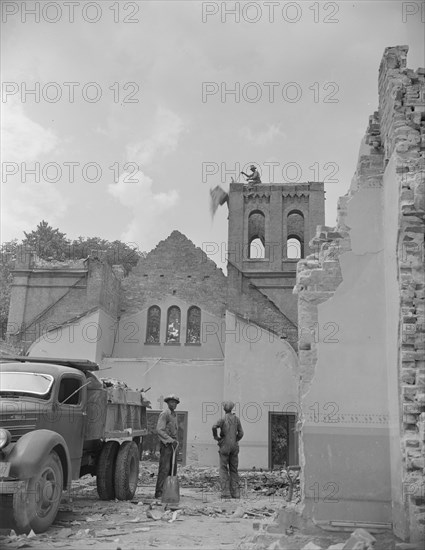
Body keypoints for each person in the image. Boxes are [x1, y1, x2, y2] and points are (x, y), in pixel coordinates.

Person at [212, 401, 244, 499]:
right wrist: (235, 440)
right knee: (234, 469)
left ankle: (226, 493)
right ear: (232, 408)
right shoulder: (236, 419)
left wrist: (216, 437)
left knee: (223, 468)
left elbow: (214, 427)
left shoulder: (222, 419)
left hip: (224, 446)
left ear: (224, 409)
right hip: (234, 446)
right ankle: (235, 493)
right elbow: (241, 433)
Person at [155, 394, 180, 499]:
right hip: (166, 445)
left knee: (173, 470)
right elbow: (159, 430)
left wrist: (175, 441)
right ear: (168, 403)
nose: (173, 404)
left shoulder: (174, 415)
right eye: (171, 402)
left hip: (174, 445)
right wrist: (169, 440)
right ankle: (159, 492)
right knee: (164, 469)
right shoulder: (164, 414)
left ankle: (169, 492)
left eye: (175, 402)